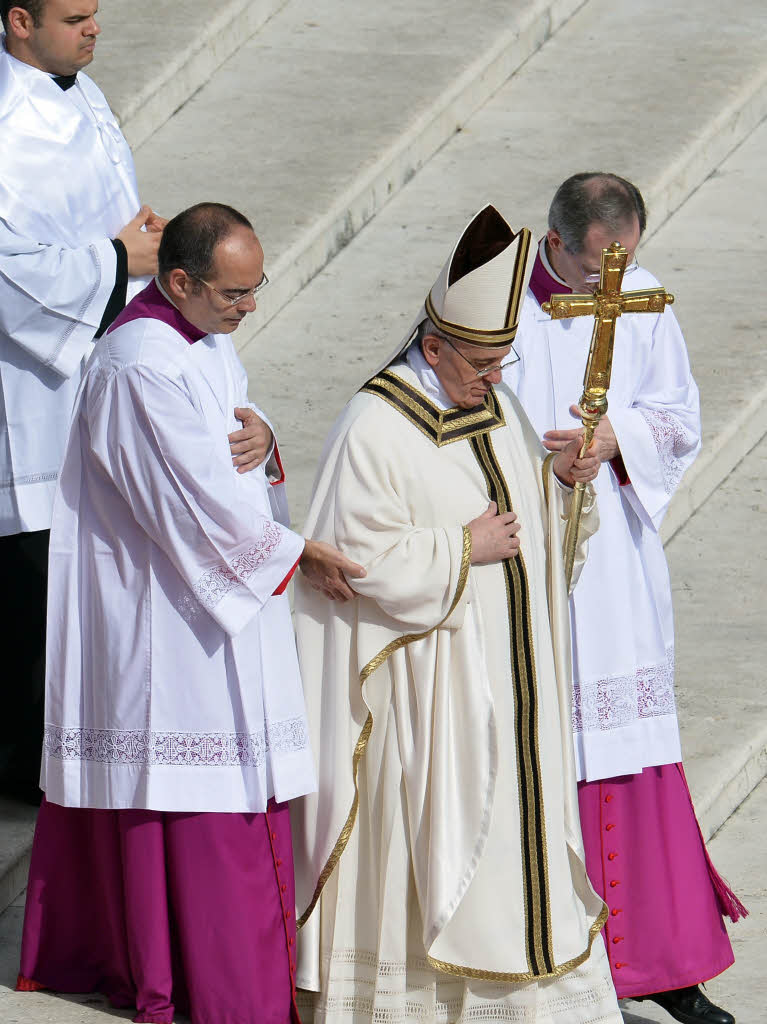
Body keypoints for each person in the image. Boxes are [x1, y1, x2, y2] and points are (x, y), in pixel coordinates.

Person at [16, 202, 365, 1024]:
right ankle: (197, 977)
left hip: (211, 604)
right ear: (179, 281)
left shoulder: (199, 340)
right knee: (190, 796)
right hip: (165, 619)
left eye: (255, 289)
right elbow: (190, 502)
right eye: (234, 293)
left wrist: (264, 431)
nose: (248, 308)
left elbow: (230, 434)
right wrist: (296, 551)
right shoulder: (137, 363)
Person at [291, 205, 624, 1023]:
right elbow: (344, 561)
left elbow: (529, 530)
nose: (494, 377)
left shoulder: (498, 407)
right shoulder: (373, 425)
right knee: (438, 848)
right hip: (425, 695)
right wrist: (455, 550)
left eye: (503, 360)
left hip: (515, 685)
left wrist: (560, 482)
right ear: (432, 346)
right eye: (479, 361)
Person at [504, 172, 743, 1024]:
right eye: (599, 262)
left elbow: (677, 416)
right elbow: (437, 400)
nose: (615, 281)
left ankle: (664, 966)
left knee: (626, 746)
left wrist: (617, 438)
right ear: (553, 241)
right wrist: (536, 461)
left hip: (611, 565)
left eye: (628, 259)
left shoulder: (641, 297)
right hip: (520, 546)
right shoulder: (488, 291)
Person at [0, 0, 168, 801]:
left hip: (97, 352)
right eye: (75, 16)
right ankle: (20, 766)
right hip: (30, 389)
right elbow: (9, 276)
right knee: (30, 590)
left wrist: (132, 246)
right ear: (18, 20)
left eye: (96, 12)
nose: (94, 27)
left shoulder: (74, 86)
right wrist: (114, 257)